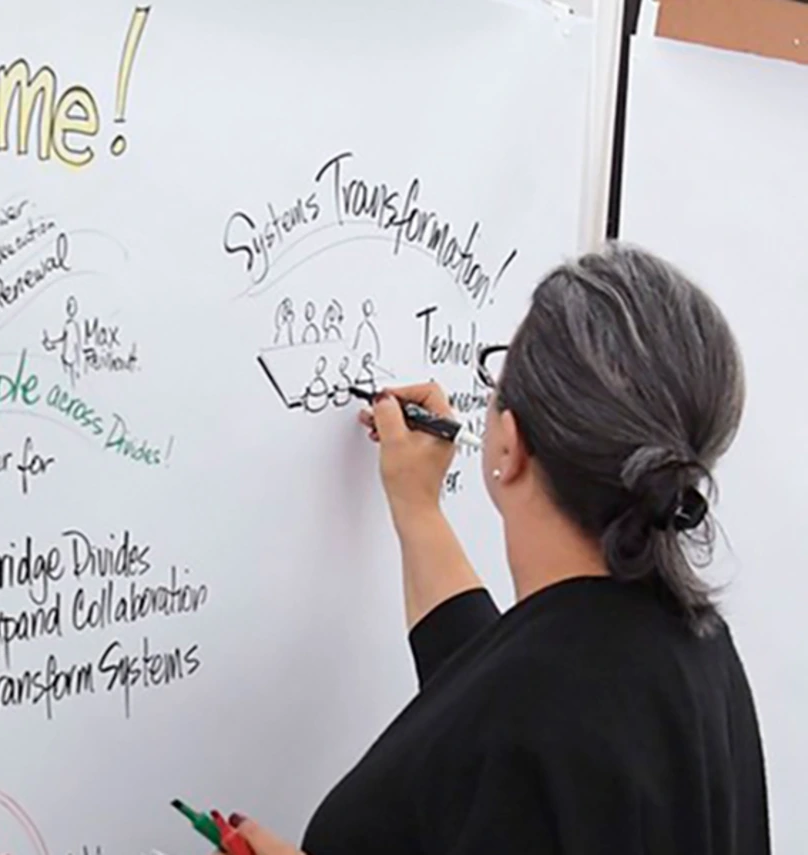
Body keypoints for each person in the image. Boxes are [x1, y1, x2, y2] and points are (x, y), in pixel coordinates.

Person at [226, 245, 770, 854]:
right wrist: (417, 506)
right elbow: (492, 687)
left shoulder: (540, 721)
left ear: (508, 446)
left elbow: (514, 732)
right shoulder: (691, 651)